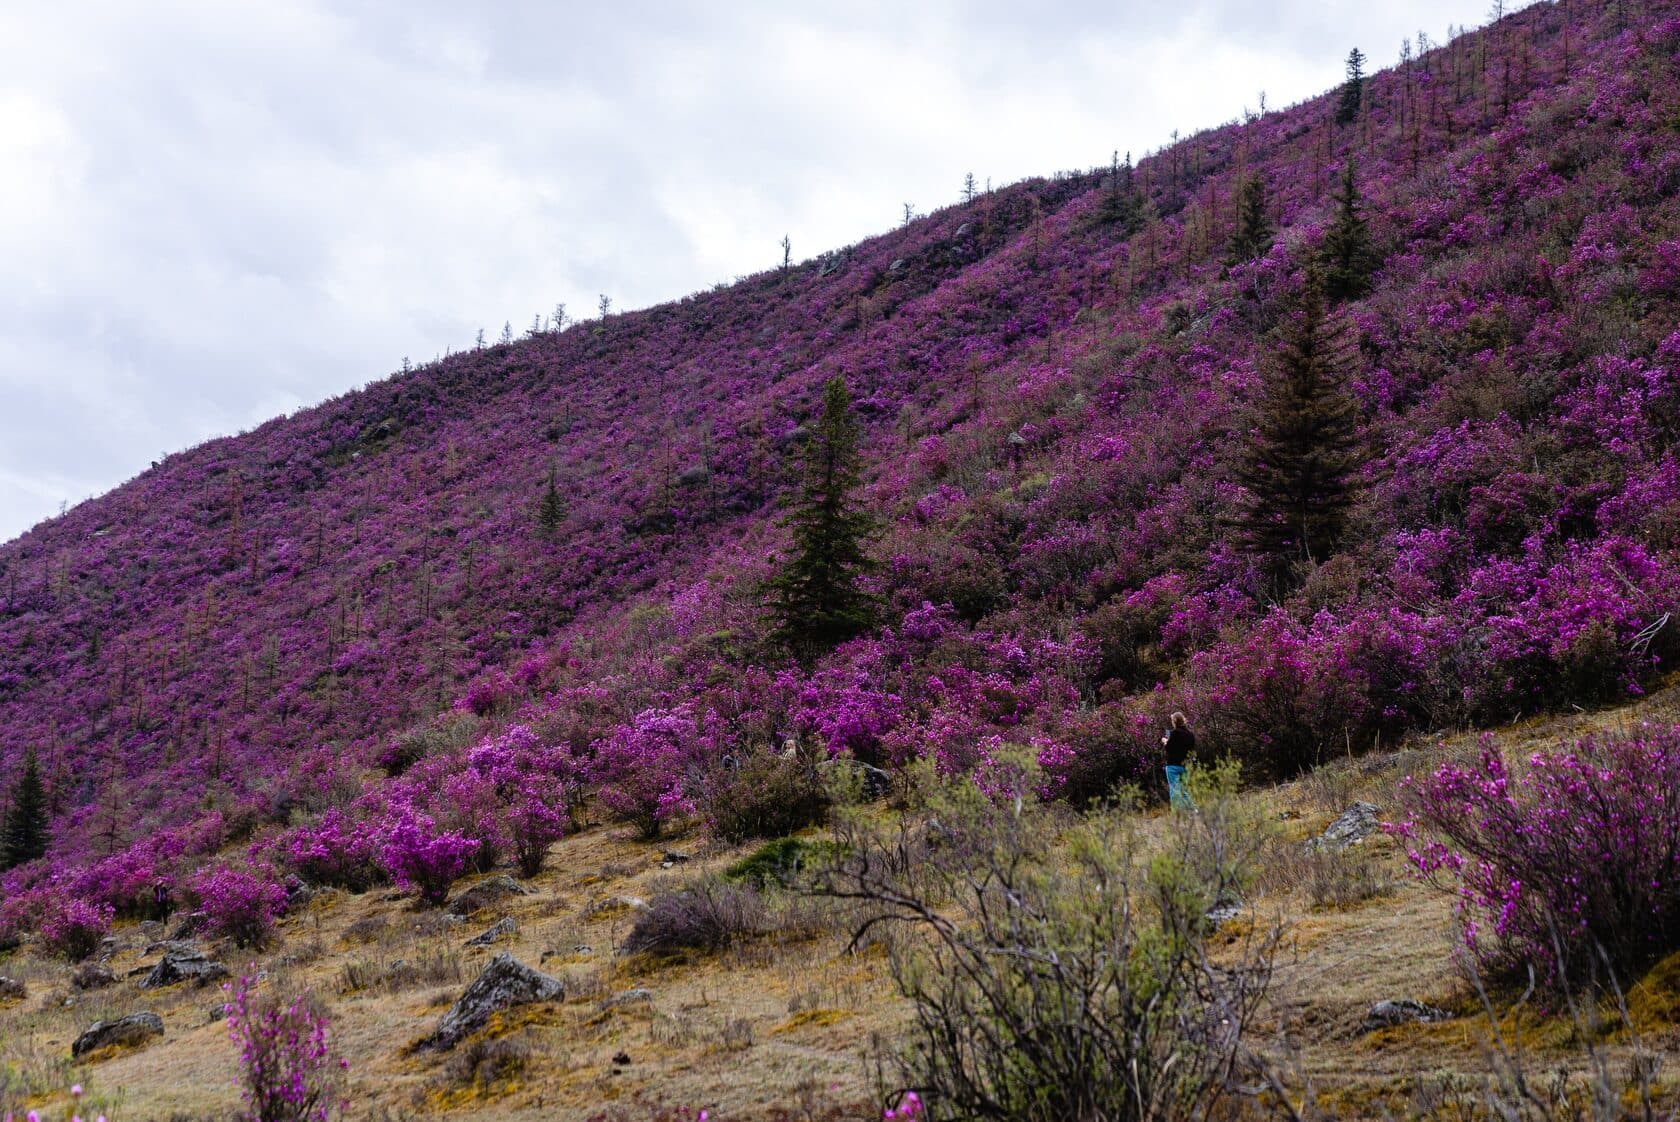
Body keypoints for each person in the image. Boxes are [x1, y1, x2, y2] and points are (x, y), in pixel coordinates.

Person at [1161, 712, 1196, 811]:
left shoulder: (1174, 733)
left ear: (1174, 721)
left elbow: (1169, 748)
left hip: (1173, 766)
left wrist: (1165, 741)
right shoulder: (1190, 734)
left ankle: (1176, 812)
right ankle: (1193, 809)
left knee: (1174, 789)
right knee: (1182, 790)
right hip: (1185, 765)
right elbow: (1191, 750)